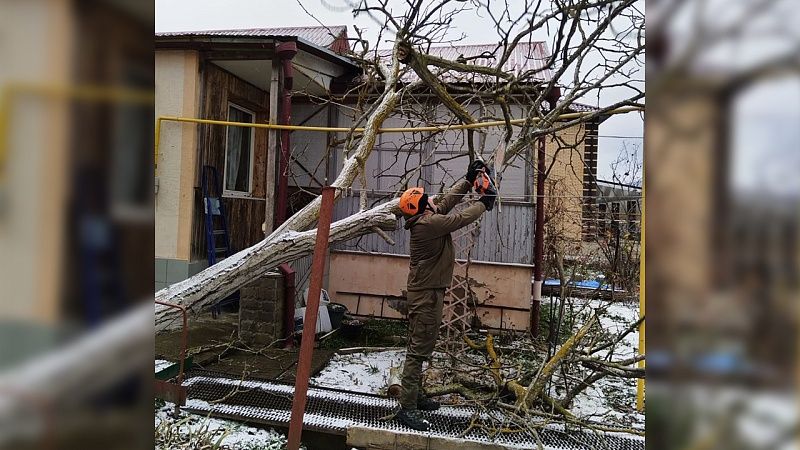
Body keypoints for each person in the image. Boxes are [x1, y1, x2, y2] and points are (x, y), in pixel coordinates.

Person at [394, 160, 497, 431]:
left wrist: (467, 180)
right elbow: (459, 218)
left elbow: (447, 202)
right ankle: (407, 407)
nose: (431, 200)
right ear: (420, 207)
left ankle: (416, 394)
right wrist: (484, 203)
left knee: (423, 345)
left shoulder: (425, 218)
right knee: (417, 351)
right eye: (426, 199)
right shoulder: (428, 225)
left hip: (429, 293)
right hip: (425, 296)